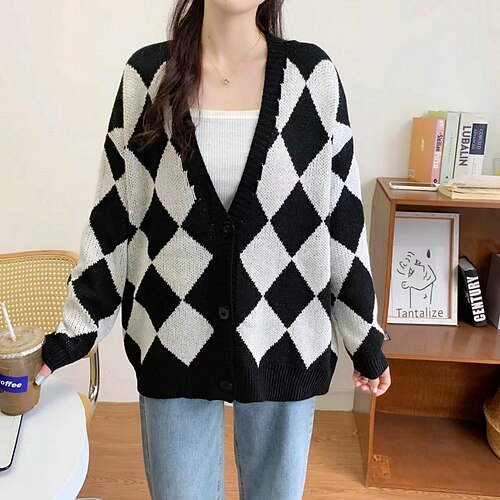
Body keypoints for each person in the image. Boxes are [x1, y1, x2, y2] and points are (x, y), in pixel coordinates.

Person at [37, 1, 391, 498]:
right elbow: (115, 214)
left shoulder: (313, 79)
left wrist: (364, 336)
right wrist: (71, 334)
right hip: (171, 338)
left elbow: (342, 220)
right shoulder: (148, 78)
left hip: (284, 336)